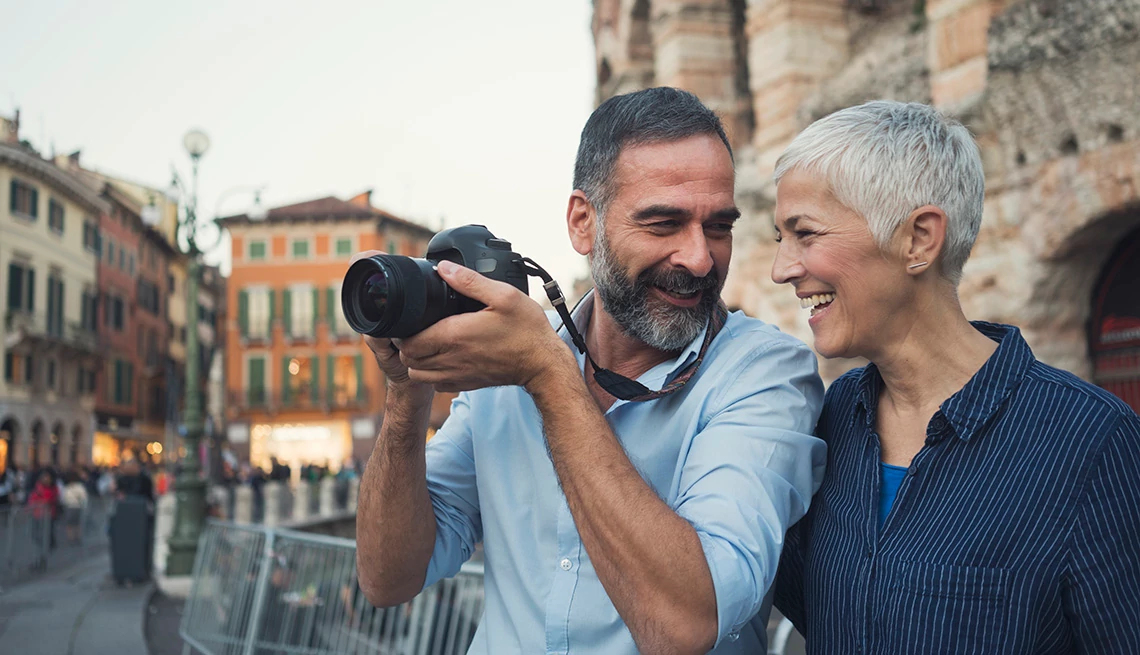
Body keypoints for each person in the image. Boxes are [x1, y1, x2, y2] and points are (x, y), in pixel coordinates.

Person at [355, 87, 826, 654]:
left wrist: (549, 376)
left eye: (718, 227)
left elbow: (686, 624)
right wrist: (405, 393)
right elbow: (388, 578)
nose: (700, 258)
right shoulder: (509, 368)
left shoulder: (765, 375)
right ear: (583, 223)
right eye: (662, 224)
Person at [769, 100, 1140, 653]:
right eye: (781, 238)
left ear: (919, 239)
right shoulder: (831, 419)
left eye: (806, 233)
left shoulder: (1089, 441)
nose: (782, 269)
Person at [61, 470, 89, 544]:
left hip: (72, 506)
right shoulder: (78, 487)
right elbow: (84, 497)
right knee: (75, 524)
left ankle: (73, 538)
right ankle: (75, 537)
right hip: (75, 506)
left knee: (72, 524)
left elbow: (64, 497)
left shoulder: (69, 487)